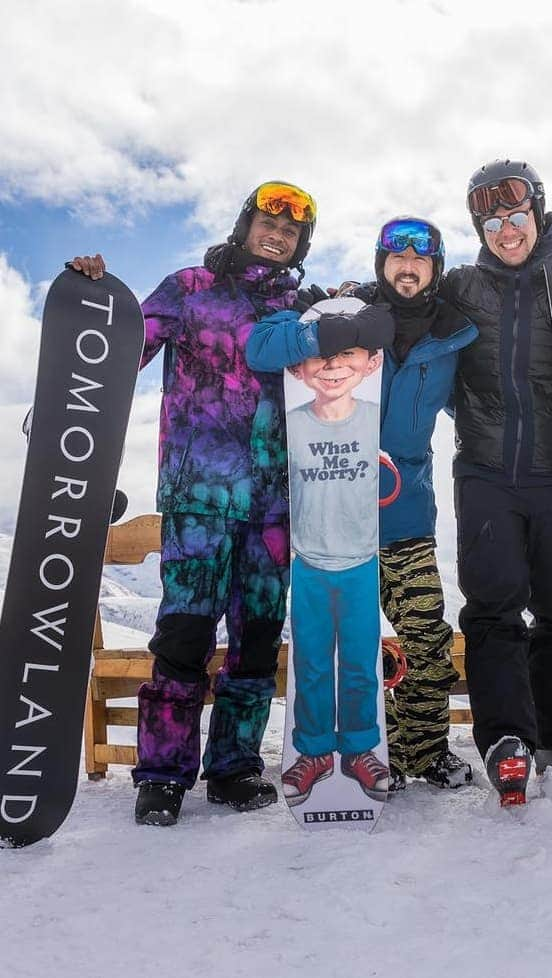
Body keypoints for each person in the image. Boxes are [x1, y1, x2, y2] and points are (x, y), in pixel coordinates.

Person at [74, 180, 318, 826]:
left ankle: (234, 766)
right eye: (269, 222)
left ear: (298, 248)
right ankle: (162, 773)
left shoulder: (299, 312)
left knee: (258, 643)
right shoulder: (190, 289)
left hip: (273, 508)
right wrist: (95, 292)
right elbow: (123, 343)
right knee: (184, 634)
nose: (277, 234)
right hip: (199, 497)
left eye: (291, 231)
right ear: (246, 225)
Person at [246, 216, 479, 794]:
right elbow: (261, 346)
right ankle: (324, 751)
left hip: (404, 517)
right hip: (332, 515)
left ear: (434, 268)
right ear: (380, 264)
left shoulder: (455, 335)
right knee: (331, 647)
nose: (407, 267)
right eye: (395, 258)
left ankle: (418, 752)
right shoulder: (340, 311)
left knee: (424, 635)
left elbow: (480, 405)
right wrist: (321, 329)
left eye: (420, 260)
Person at [439, 160, 552, 805]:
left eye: (516, 216)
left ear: (538, 212)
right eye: (492, 221)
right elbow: (405, 308)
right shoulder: (461, 287)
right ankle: (506, 738)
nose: (506, 231)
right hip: (483, 473)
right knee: (492, 608)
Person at [279, 309, 395, 804]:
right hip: (307, 561)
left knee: (359, 664)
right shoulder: (291, 424)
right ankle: (313, 751)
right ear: (297, 370)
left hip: (360, 561)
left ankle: (359, 748)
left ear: (371, 364)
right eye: (318, 357)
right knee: (311, 662)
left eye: (346, 354)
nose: (331, 365)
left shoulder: (375, 419)